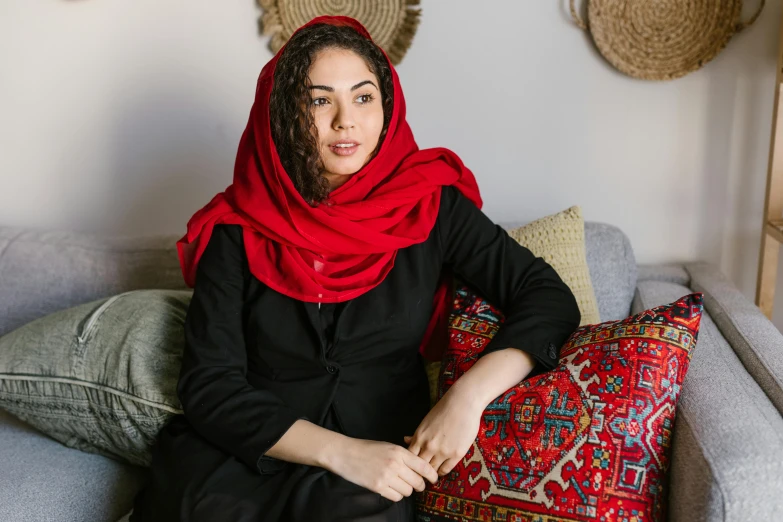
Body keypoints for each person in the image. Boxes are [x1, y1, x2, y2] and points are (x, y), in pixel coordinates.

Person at [129, 15, 581, 522]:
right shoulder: (237, 226)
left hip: (382, 459)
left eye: (363, 97)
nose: (346, 120)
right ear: (283, 114)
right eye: (319, 100)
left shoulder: (431, 206)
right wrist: (341, 452)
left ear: (387, 107)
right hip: (250, 456)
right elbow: (210, 385)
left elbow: (546, 296)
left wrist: (466, 398)